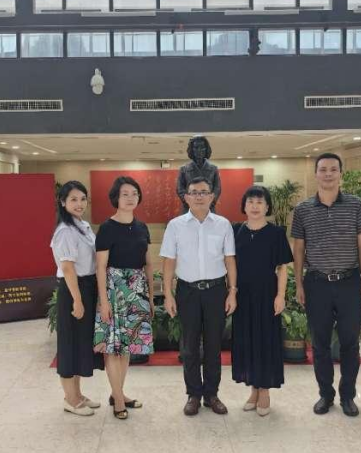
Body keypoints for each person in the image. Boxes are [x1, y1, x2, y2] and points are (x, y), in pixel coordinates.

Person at [291, 153, 361, 417]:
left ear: (340, 174)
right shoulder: (303, 209)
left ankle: (348, 396)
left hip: (349, 282)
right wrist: (299, 284)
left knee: (350, 343)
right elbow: (299, 248)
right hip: (317, 284)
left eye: (333, 169)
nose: (328, 174)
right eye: (323, 169)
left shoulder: (355, 204)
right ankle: (325, 395)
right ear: (315, 174)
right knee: (320, 344)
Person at [160, 176, 237, 416]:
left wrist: (232, 291)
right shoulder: (175, 225)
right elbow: (169, 262)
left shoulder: (223, 224)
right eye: (194, 192)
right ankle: (193, 394)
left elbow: (230, 260)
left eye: (204, 192)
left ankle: (212, 394)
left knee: (214, 346)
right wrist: (168, 295)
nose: (199, 196)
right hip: (187, 291)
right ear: (186, 197)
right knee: (190, 346)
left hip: (216, 291)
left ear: (212, 196)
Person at [93, 176, 155, 420]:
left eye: (134, 194)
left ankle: (118, 392)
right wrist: (104, 301)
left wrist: (150, 297)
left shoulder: (142, 227)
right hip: (114, 290)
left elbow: (148, 263)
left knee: (128, 346)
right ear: (116, 198)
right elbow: (100, 267)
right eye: (125, 194)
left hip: (137, 290)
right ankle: (118, 399)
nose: (130, 198)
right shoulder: (107, 228)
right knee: (112, 347)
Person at [231, 185, 293, 417]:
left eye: (260, 202)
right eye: (250, 202)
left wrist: (280, 295)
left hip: (267, 294)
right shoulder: (235, 231)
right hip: (243, 295)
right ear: (244, 206)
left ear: (267, 207)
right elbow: (229, 263)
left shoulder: (276, 233)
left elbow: (282, 268)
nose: (255, 206)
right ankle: (253, 390)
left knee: (266, 341)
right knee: (247, 341)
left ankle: (264, 390)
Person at [50, 181, 104, 416]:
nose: (79, 203)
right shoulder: (65, 231)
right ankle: (70, 399)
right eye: (73, 199)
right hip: (74, 289)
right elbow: (68, 268)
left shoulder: (83, 226)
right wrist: (77, 300)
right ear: (63, 202)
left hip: (87, 286)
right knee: (70, 344)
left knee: (81, 342)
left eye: (83, 199)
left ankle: (78, 394)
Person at [176, 135, 222, 213]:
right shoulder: (184, 169)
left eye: (202, 147)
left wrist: (210, 202)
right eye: (196, 147)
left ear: (206, 149)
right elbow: (180, 188)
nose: (199, 150)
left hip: (209, 208)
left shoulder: (213, 169)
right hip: (189, 208)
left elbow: (217, 188)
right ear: (192, 150)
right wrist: (188, 202)